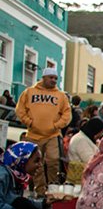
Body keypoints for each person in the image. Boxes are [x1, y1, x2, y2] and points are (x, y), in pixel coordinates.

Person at [14, 67, 71, 196]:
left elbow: (67, 114)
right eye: (51, 77)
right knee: (35, 165)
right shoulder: (29, 92)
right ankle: (40, 192)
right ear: (44, 78)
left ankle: (53, 191)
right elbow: (20, 109)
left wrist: (57, 125)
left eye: (55, 78)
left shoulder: (61, 96)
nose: (53, 80)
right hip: (33, 135)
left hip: (52, 134)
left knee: (53, 161)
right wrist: (29, 122)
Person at [67, 117, 103, 184]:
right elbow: (90, 160)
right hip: (82, 174)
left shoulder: (85, 138)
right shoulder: (81, 140)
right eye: (100, 132)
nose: (101, 135)